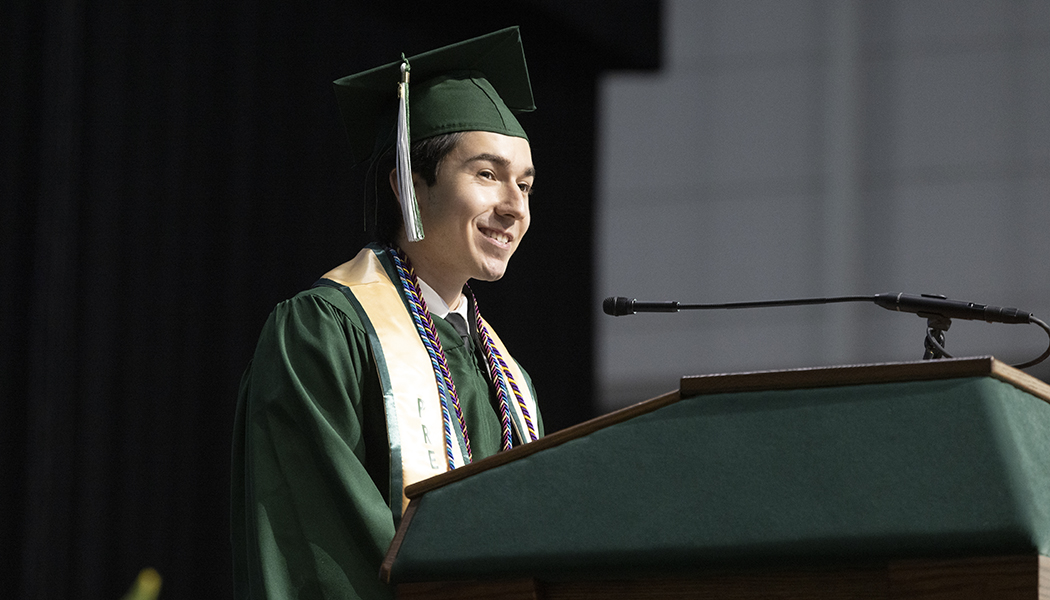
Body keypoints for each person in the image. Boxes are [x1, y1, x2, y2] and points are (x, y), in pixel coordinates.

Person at [230, 27, 544, 600]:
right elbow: (320, 537)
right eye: (487, 175)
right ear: (408, 184)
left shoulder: (507, 379)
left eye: (525, 185)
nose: (514, 207)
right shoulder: (323, 331)